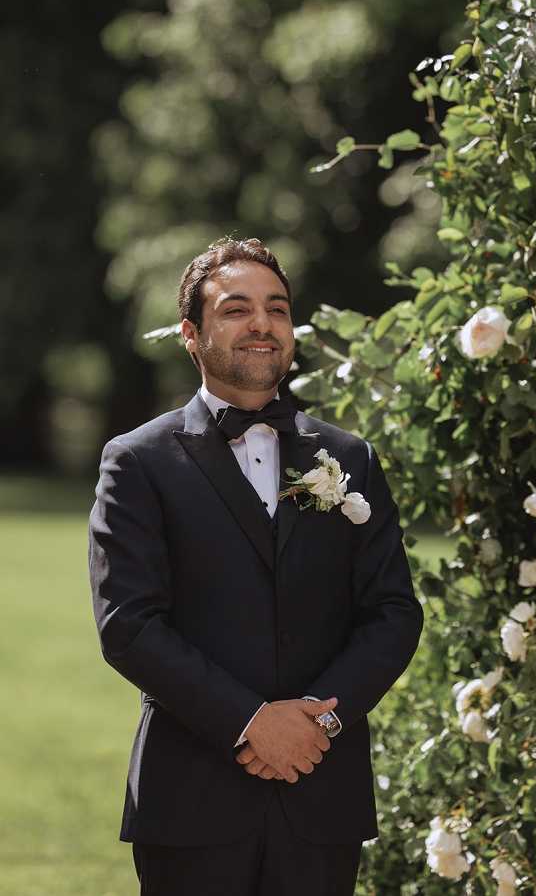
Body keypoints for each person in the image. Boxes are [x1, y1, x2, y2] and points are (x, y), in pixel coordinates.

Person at [88, 236, 423, 896]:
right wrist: (252, 724)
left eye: (277, 307)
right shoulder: (138, 461)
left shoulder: (350, 458)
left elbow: (393, 613)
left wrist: (318, 723)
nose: (263, 323)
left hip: (321, 796)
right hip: (190, 798)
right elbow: (128, 624)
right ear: (192, 333)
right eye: (236, 309)